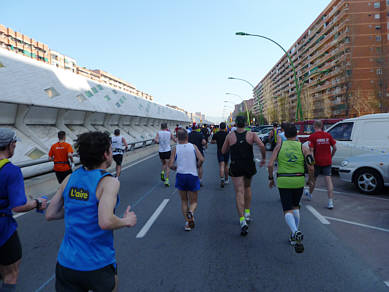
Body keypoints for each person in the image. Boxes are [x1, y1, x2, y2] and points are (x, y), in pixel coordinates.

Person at [46, 131, 137, 292]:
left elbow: (51, 213)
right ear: (106, 154)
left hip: (66, 264)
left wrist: (78, 208)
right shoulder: (108, 182)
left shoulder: (70, 178)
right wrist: (126, 221)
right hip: (97, 263)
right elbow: (106, 221)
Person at [0, 128, 48, 291]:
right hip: (3, 229)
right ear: (10, 145)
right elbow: (18, 205)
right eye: (14, 144)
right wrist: (36, 202)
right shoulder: (11, 171)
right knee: (10, 274)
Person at [267, 124, 315, 253]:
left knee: (287, 210)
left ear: (285, 135)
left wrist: (271, 178)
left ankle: (295, 231)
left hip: (283, 180)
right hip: (298, 181)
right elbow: (311, 166)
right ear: (297, 135)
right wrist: (310, 180)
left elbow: (270, 164)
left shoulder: (279, 146)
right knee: (295, 206)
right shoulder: (303, 147)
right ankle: (294, 238)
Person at [221, 116, 266, 236]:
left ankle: (242, 221)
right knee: (247, 188)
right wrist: (263, 158)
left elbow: (223, 151)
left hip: (236, 165)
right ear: (245, 123)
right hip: (249, 165)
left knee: (239, 192)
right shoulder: (251, 134)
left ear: (235, 124)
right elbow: (262, 145)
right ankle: (247, 213)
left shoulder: (230, 135)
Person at [169, 129, 204, 231]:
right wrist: (198, 165)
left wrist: (175, 168)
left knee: (184, 200)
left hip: (181, 175)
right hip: (192, 175)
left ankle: (188, 223)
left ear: (177, 138)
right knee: (194, 201)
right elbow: (201, 159)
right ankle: (191, 212)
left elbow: (170, 164)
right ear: (187, 137)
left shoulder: (175, 148)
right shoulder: (193, 146)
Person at [306, 120, 337, 209]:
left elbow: (311, 151)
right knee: (328, 181)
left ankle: (310, 194)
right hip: (327, 161)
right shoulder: (328, 135)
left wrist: (311, 163)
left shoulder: (312, 136)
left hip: (317, 162)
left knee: (313, 179)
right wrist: (331, 156)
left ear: (314, 126)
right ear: (322, 126)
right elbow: (335, 148)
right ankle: (330, 202)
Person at [211, 122, 230, 188]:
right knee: (226, 165)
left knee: (221, 165)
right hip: (227, 151)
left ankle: (222, 179)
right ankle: (226, 179)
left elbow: (212, 142)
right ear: (225, 127)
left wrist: (217, 141)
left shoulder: (216, 134)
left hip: (220, 151)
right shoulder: (228, 134)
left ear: (219, 127)